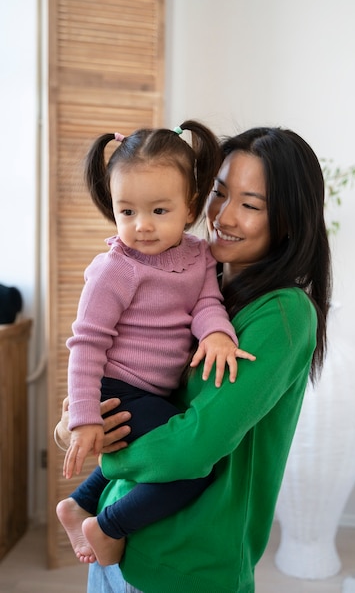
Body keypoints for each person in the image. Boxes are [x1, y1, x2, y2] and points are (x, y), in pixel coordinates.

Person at [55, 124, 332, 593]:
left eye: (250, 204)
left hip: (183, 567)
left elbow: (193, 448)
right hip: (117, 543)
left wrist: (110, 452)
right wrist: (72, 429)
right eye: (220, 194)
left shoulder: (283, 313)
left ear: (288, 217)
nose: (223, 215)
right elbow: (100, 355)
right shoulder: (198, 280)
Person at [56, 120, 255, 565]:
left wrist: (218, 332)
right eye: (127, 212)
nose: (142, 226)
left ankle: (79, 503)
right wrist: (86, 417)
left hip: (152, 390)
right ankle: (110, 526)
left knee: (167, 452)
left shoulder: (200, 256)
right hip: (119, 388)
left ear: (189, 208)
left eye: (158, 212)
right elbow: (86, 344)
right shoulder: (114, 270)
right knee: (192, 468)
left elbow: (205, 303)